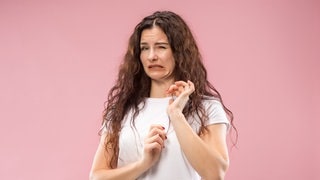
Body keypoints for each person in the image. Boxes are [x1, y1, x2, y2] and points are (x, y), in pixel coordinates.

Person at [89, 10, 236, 180]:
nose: (152, 56)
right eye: (145, 48)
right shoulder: (122, 110)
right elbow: (97, 177)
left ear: (179, 52)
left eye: (161, 47)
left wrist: (176, 115)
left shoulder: (206, 108)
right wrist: (144, 163)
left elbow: (215, 173)